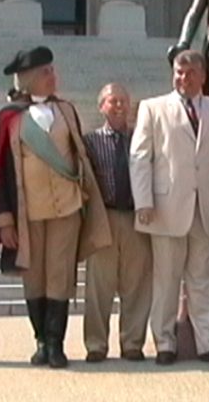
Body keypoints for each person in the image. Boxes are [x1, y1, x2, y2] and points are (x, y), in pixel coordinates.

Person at [0, 46, 111, 368]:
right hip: (28, 213)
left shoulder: (66, 110)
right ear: (28, 79)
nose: (53, 76)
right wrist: (4, 221)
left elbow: (79, 154)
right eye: (46, 72)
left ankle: (56, 344)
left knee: (60, 276)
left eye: (52, 70)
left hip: (66, 209)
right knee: (35, 278)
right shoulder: (9, 118)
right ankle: (40, 340)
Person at [129, 49, 209, 366]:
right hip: (165, 207)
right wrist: (143, 201)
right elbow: (139, 157)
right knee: (167, 280)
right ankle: (164, 342)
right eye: (178, 72)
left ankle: (207, 342)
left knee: (203, 280)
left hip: (206, 208)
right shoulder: (153, 108)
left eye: (189, 73)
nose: (183, 78)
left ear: (203, 76)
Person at [82, 83, 152, 363]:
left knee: (137, 285)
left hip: (137, 217)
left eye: (124, 100)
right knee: (99, 285)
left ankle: (133, 343)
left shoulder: (141, 139)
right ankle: (96, 344)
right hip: (105, 217)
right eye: (113, 101)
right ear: (102, 107)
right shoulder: (90, 141)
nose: (120, 105)